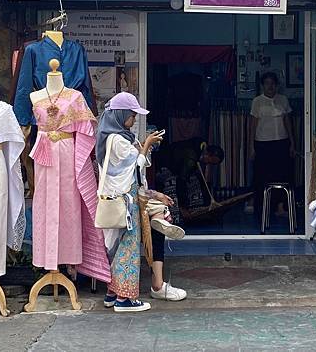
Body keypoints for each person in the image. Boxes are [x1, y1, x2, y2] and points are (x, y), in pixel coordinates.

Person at [96, 93, 186, 312]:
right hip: (124, 202)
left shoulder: (119, 137)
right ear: (121, 114)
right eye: (132, 115)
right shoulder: (116, 140)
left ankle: (112, 293)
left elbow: (137, 171)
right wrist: (146, 145)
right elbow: (136, 166)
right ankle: (125, 299)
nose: (134, 119)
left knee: (117, 248)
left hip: (122, 200)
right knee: (127, 248)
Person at [249, 72, 295, 225]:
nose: (270, 86)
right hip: (262, 144)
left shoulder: (283, 100)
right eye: (267, 83)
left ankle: (280, 206)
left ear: (277, 85)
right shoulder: (257, 101)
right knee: (262, 176)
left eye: (273, 83)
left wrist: (292, 143)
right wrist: (251, 147)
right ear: (263, 86)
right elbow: (253, 125)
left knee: (282, 175)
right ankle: (262, 208)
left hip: (281, 143)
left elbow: (288, 122)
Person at [157, 137, 225, 214]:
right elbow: (181, 180)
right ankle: (176, 215)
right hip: (164, 166)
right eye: (211, 160)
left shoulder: (202, 146)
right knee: (172, 183)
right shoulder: (191, 158)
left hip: (177, 169)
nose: (209, 163)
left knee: (195, 181)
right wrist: (182, 207)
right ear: (207, 154)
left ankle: (196, 210)